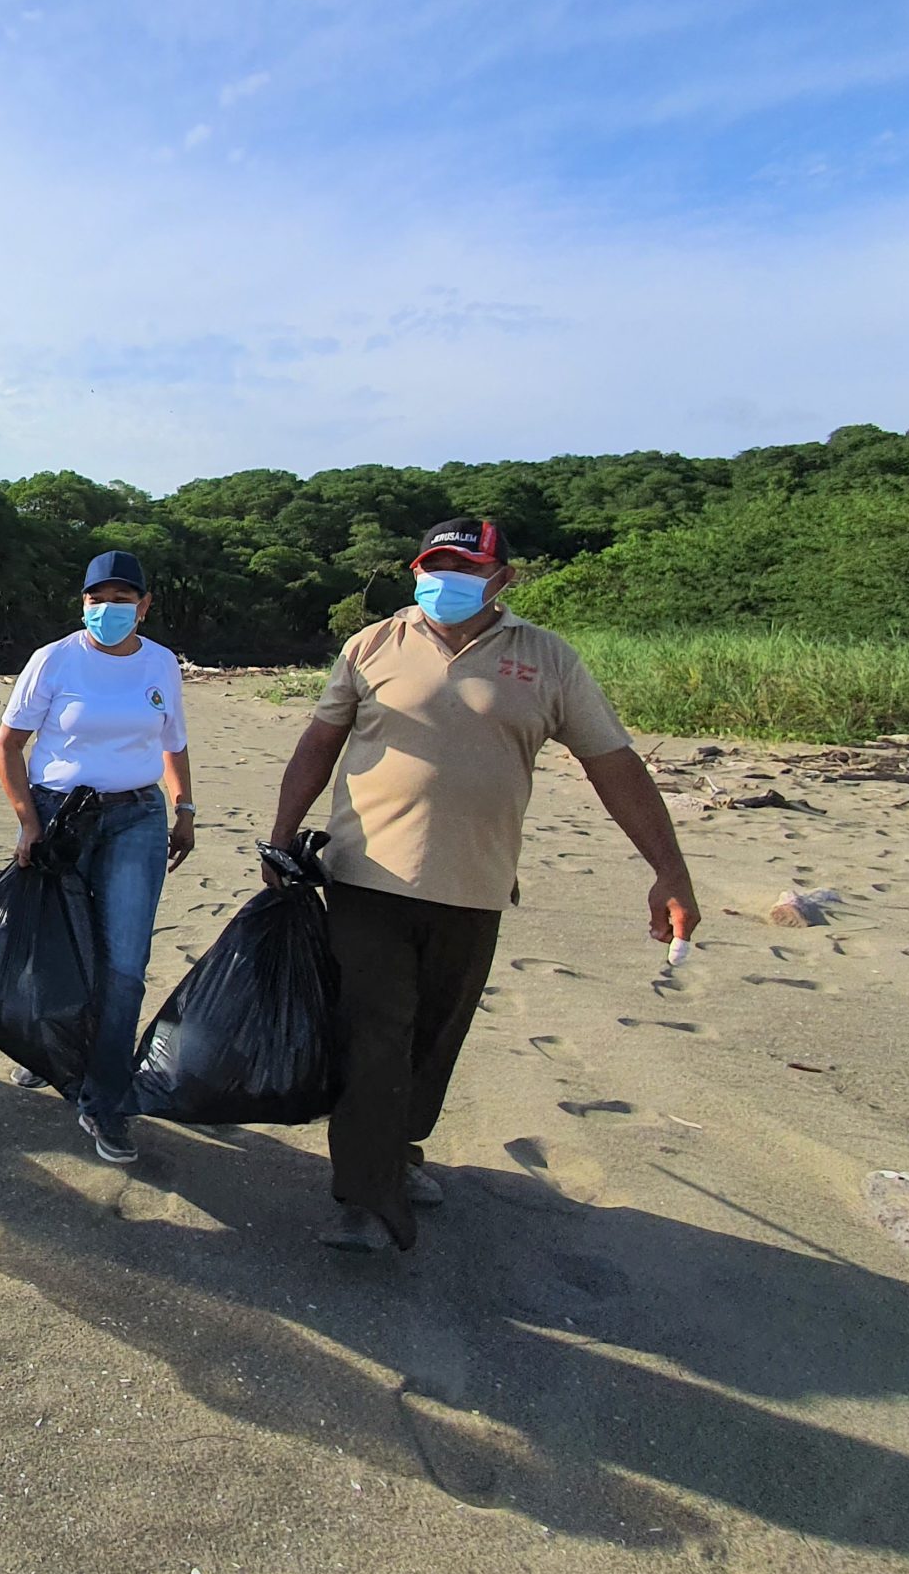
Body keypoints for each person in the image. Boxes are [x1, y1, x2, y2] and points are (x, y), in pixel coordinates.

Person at [267, 518, 700, 1253]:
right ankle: (367, 1200)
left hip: (477, 883)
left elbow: (614, 764)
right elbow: (319, 741)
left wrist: (669, 868)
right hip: (366, 876)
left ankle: (398, 1149)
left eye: (464, 567)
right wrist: (281, 837)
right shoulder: (372, 645)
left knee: (434, 1037)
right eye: (433, 565)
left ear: (504, 579)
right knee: (374, 1032)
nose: (445, 580)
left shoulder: (547, 659)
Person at [0, 549, 197, 1166]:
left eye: (121, 599)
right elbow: (8, 745)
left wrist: (183, 806)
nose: (108, 610)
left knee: (124, 967)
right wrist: (29, 821)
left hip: (137, 818)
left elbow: (173, 742)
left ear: (145, 604)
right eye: (96, 599)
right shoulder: (53, 660)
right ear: (82, 602)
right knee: (60, 955)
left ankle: (105, 1101)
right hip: (62, 816)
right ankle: (54, 1053)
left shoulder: (161, 663)